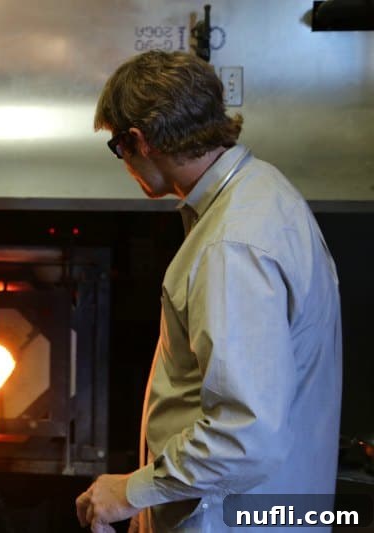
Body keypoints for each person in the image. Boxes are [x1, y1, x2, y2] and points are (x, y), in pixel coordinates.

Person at [76, 50, 342, 532]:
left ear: (139, 140)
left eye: (118, 147)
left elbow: (245, 435)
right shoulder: (265, 190)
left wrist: (132, 491)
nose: (125, 162)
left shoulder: (230, 245)